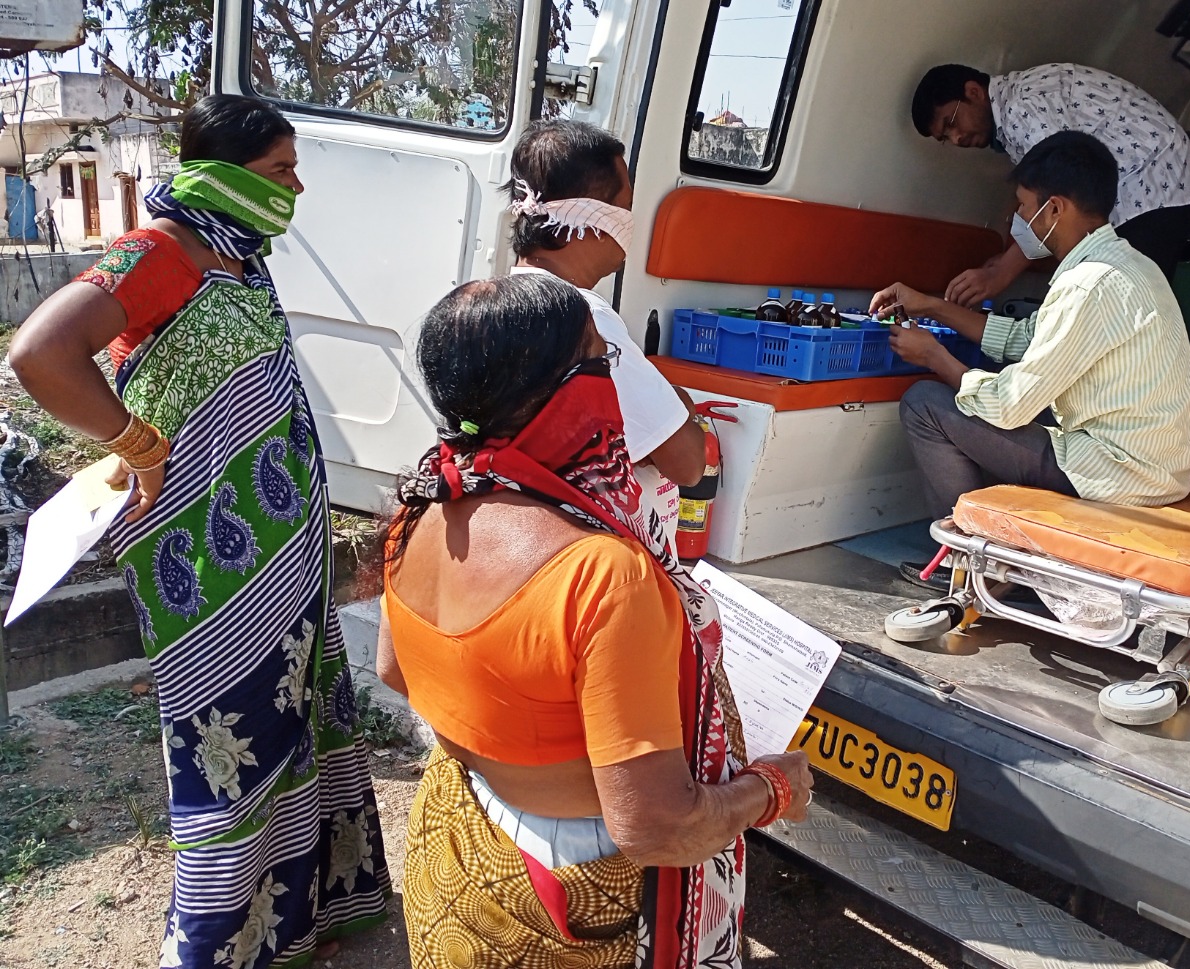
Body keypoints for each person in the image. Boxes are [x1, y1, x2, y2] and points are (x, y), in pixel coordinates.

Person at [11, 94, 390, 965]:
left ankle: (296, 919)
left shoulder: (236, 253)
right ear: (216, 174)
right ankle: (221, 938)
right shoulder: (161, 253)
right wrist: (135, 441)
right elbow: (38, 355)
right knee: (230, 739)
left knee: (294, 714)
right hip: (205, 562)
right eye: (277, 172)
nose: (295, 188)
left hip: (279, 547)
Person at [377, 273, 813, 968]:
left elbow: (392, 670)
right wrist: (774, 787)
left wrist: (511, 734)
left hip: (463, 836)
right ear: (566, 394)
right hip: (571, 883)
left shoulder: (420, 508)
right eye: (600, 362)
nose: (612, 381)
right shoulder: (600, 572)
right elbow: (658, 826)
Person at [868, 132, 1190, 588]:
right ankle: (996, 546)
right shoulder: (1130, 265)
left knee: (925, 403)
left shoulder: (1087, 284)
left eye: (1025, 208)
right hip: (1157, 468)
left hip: (1118, 473)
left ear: (1056, 208)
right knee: (992, 400)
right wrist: (933, 305)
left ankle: (972, 565)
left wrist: (934, 356)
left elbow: (1011, 405)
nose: (1020, 220)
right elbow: (1029, 339)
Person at [503, 119, 706, 547]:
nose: (630, 223)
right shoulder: (586, 317)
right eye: (625, 208)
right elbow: (687, 463)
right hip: (581, 546)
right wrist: (680, 403)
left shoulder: (498, 299)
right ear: (592, 222)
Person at [912, 62, 1190, 304]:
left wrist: (1002, 274)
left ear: (974, 92)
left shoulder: (1022, 109)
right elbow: (1043, 198)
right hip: (1152, 182)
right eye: (945, 139)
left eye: (951, 123)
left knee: (1127, 301)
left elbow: (1056, 197)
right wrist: (1001, 262)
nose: (957, 138)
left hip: (1153, 182)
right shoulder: (1013, 112)